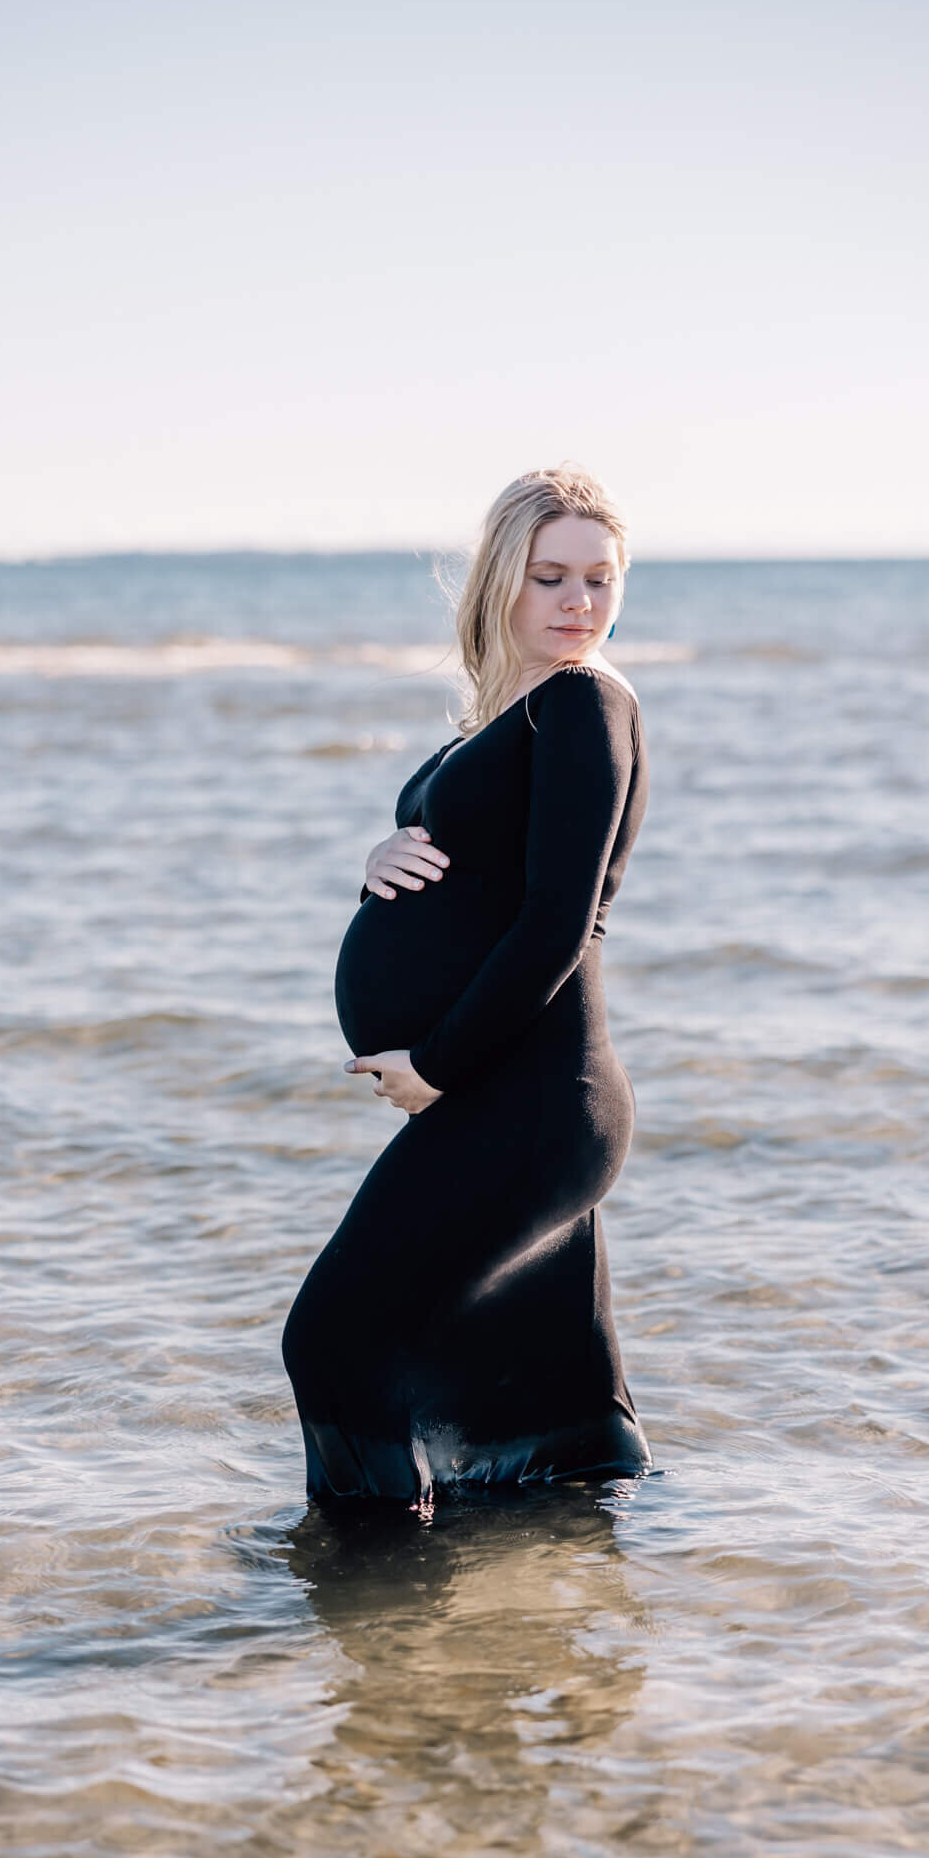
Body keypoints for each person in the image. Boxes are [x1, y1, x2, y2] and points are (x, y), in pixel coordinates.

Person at [282, 463, 653, 1509]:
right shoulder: (520, 711)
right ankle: (560, 1599)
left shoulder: (586, 704)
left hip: (527, 1095)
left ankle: (374, 1593)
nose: (579, 602)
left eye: (599, 578)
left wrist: (437, 1066)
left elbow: (558, 923)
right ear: (501, 583)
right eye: (550, 578)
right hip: (522, 1090)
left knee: (335, 1335)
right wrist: (378, 858)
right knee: (550, 1391)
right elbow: (480, 876)